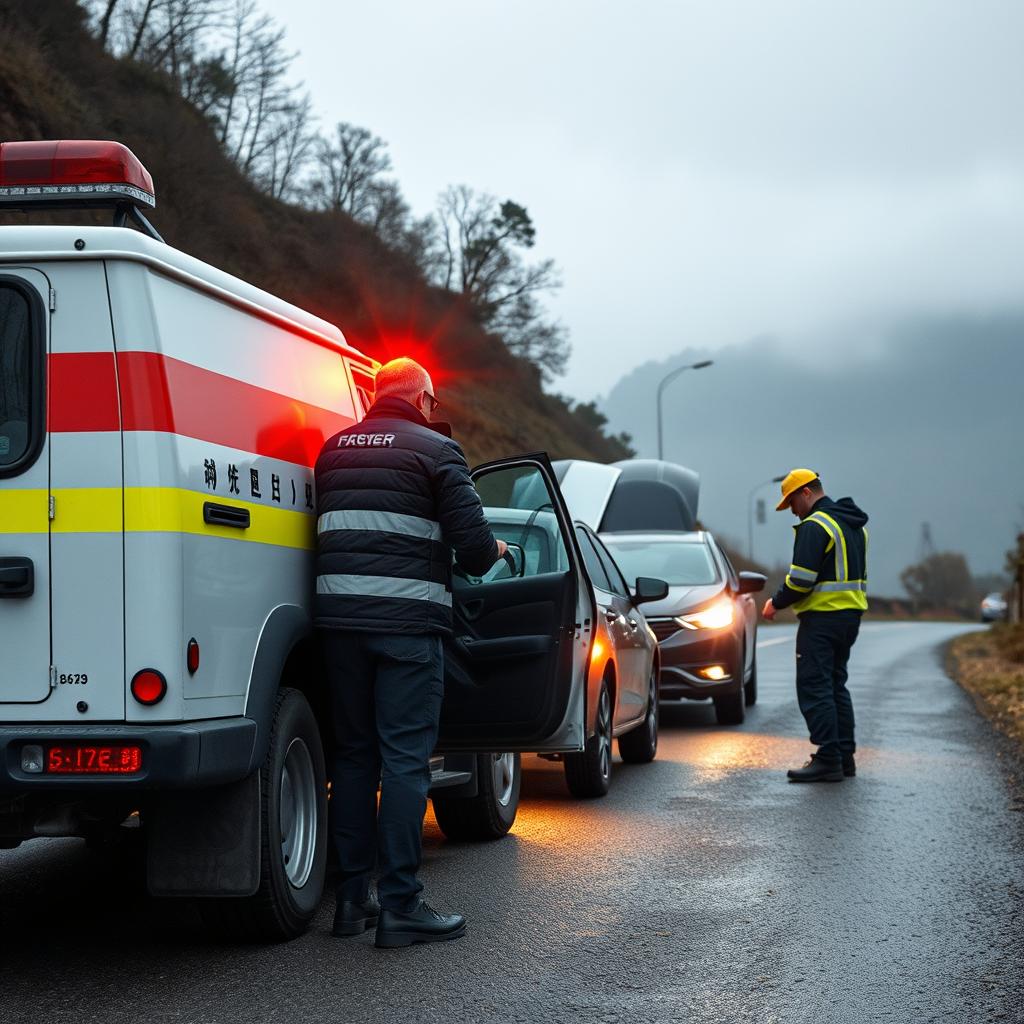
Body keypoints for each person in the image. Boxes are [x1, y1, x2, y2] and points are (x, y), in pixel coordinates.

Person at [314, 357, 507, 947]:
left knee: (352, 760)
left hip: (338, 628)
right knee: (403, 761)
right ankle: (401, 904)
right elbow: (473, 552)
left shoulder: (333, 450)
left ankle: (351, 901)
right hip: (406, 629)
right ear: (423, 398)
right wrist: (498, 548)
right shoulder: (436, 452)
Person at [761, 469, 869, 783]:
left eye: (792, 502)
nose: (792, 510)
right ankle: (844, 757)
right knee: (836, 684)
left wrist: (775, 603)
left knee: (815, 685)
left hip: (821, 620)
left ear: (807, 492)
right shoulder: (854, 525)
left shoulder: (815, 526)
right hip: (850, 618)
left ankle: (828, 758)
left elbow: (801, 581)